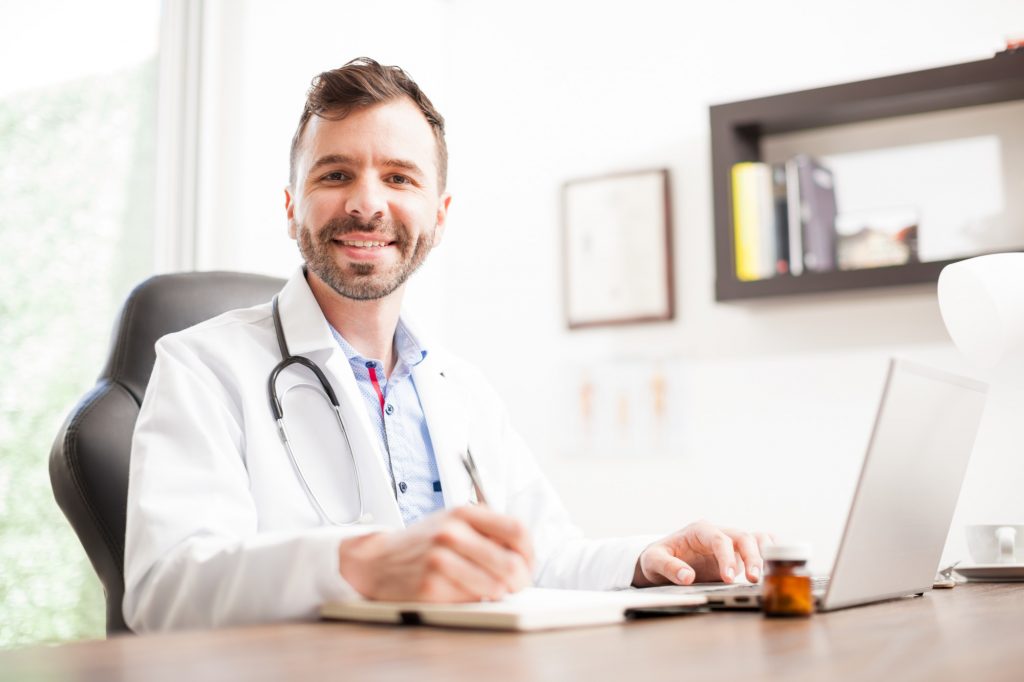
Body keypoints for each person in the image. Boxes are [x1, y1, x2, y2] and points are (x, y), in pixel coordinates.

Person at [123, 57, 770, 632]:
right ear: (292, 207)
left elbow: (538, 555)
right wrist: (359, 561)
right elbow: (165, 591)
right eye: (336, 174)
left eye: (400, 178)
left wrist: (647, 559)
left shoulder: (459, 387)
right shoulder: (203, 367)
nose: (367, 204)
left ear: (440, 213)